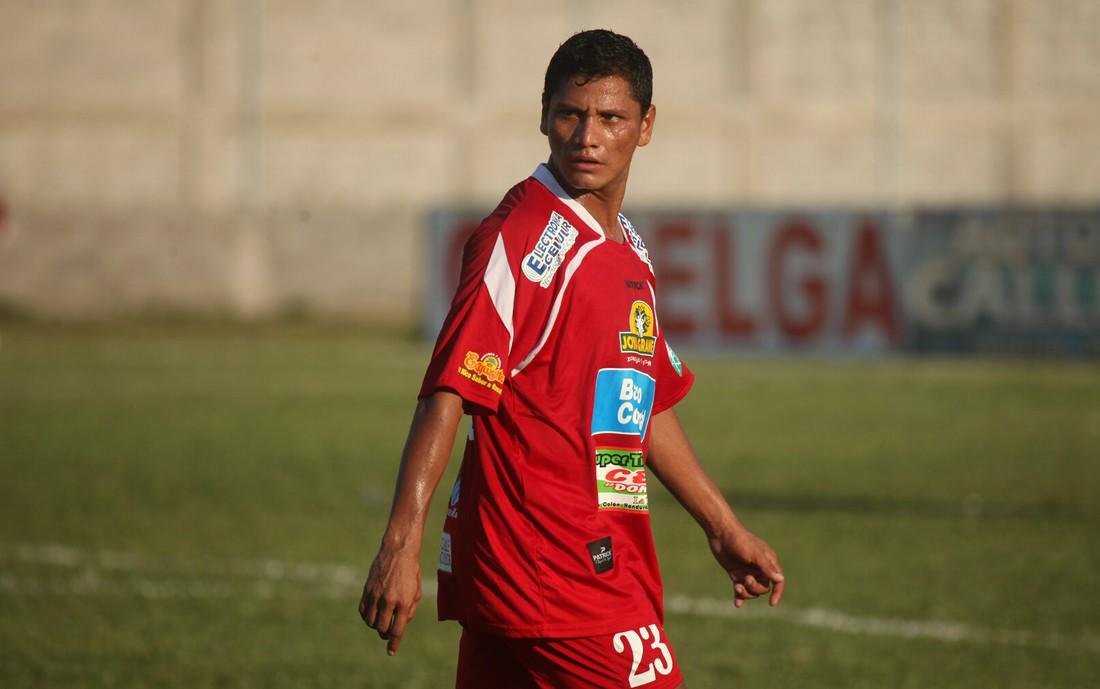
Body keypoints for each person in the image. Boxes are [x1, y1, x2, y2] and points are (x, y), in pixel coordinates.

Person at [359, 29, 785, 689]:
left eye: (610, 118)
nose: (587, 135)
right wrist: (399, 543)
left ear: (645, 127)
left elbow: (640, 402)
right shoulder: (520, 237)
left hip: (584, 559)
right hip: (555, 566)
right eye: (570, 114)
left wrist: (722, 526)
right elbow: (450, 389)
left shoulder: (629, 251)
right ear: (543, 116)